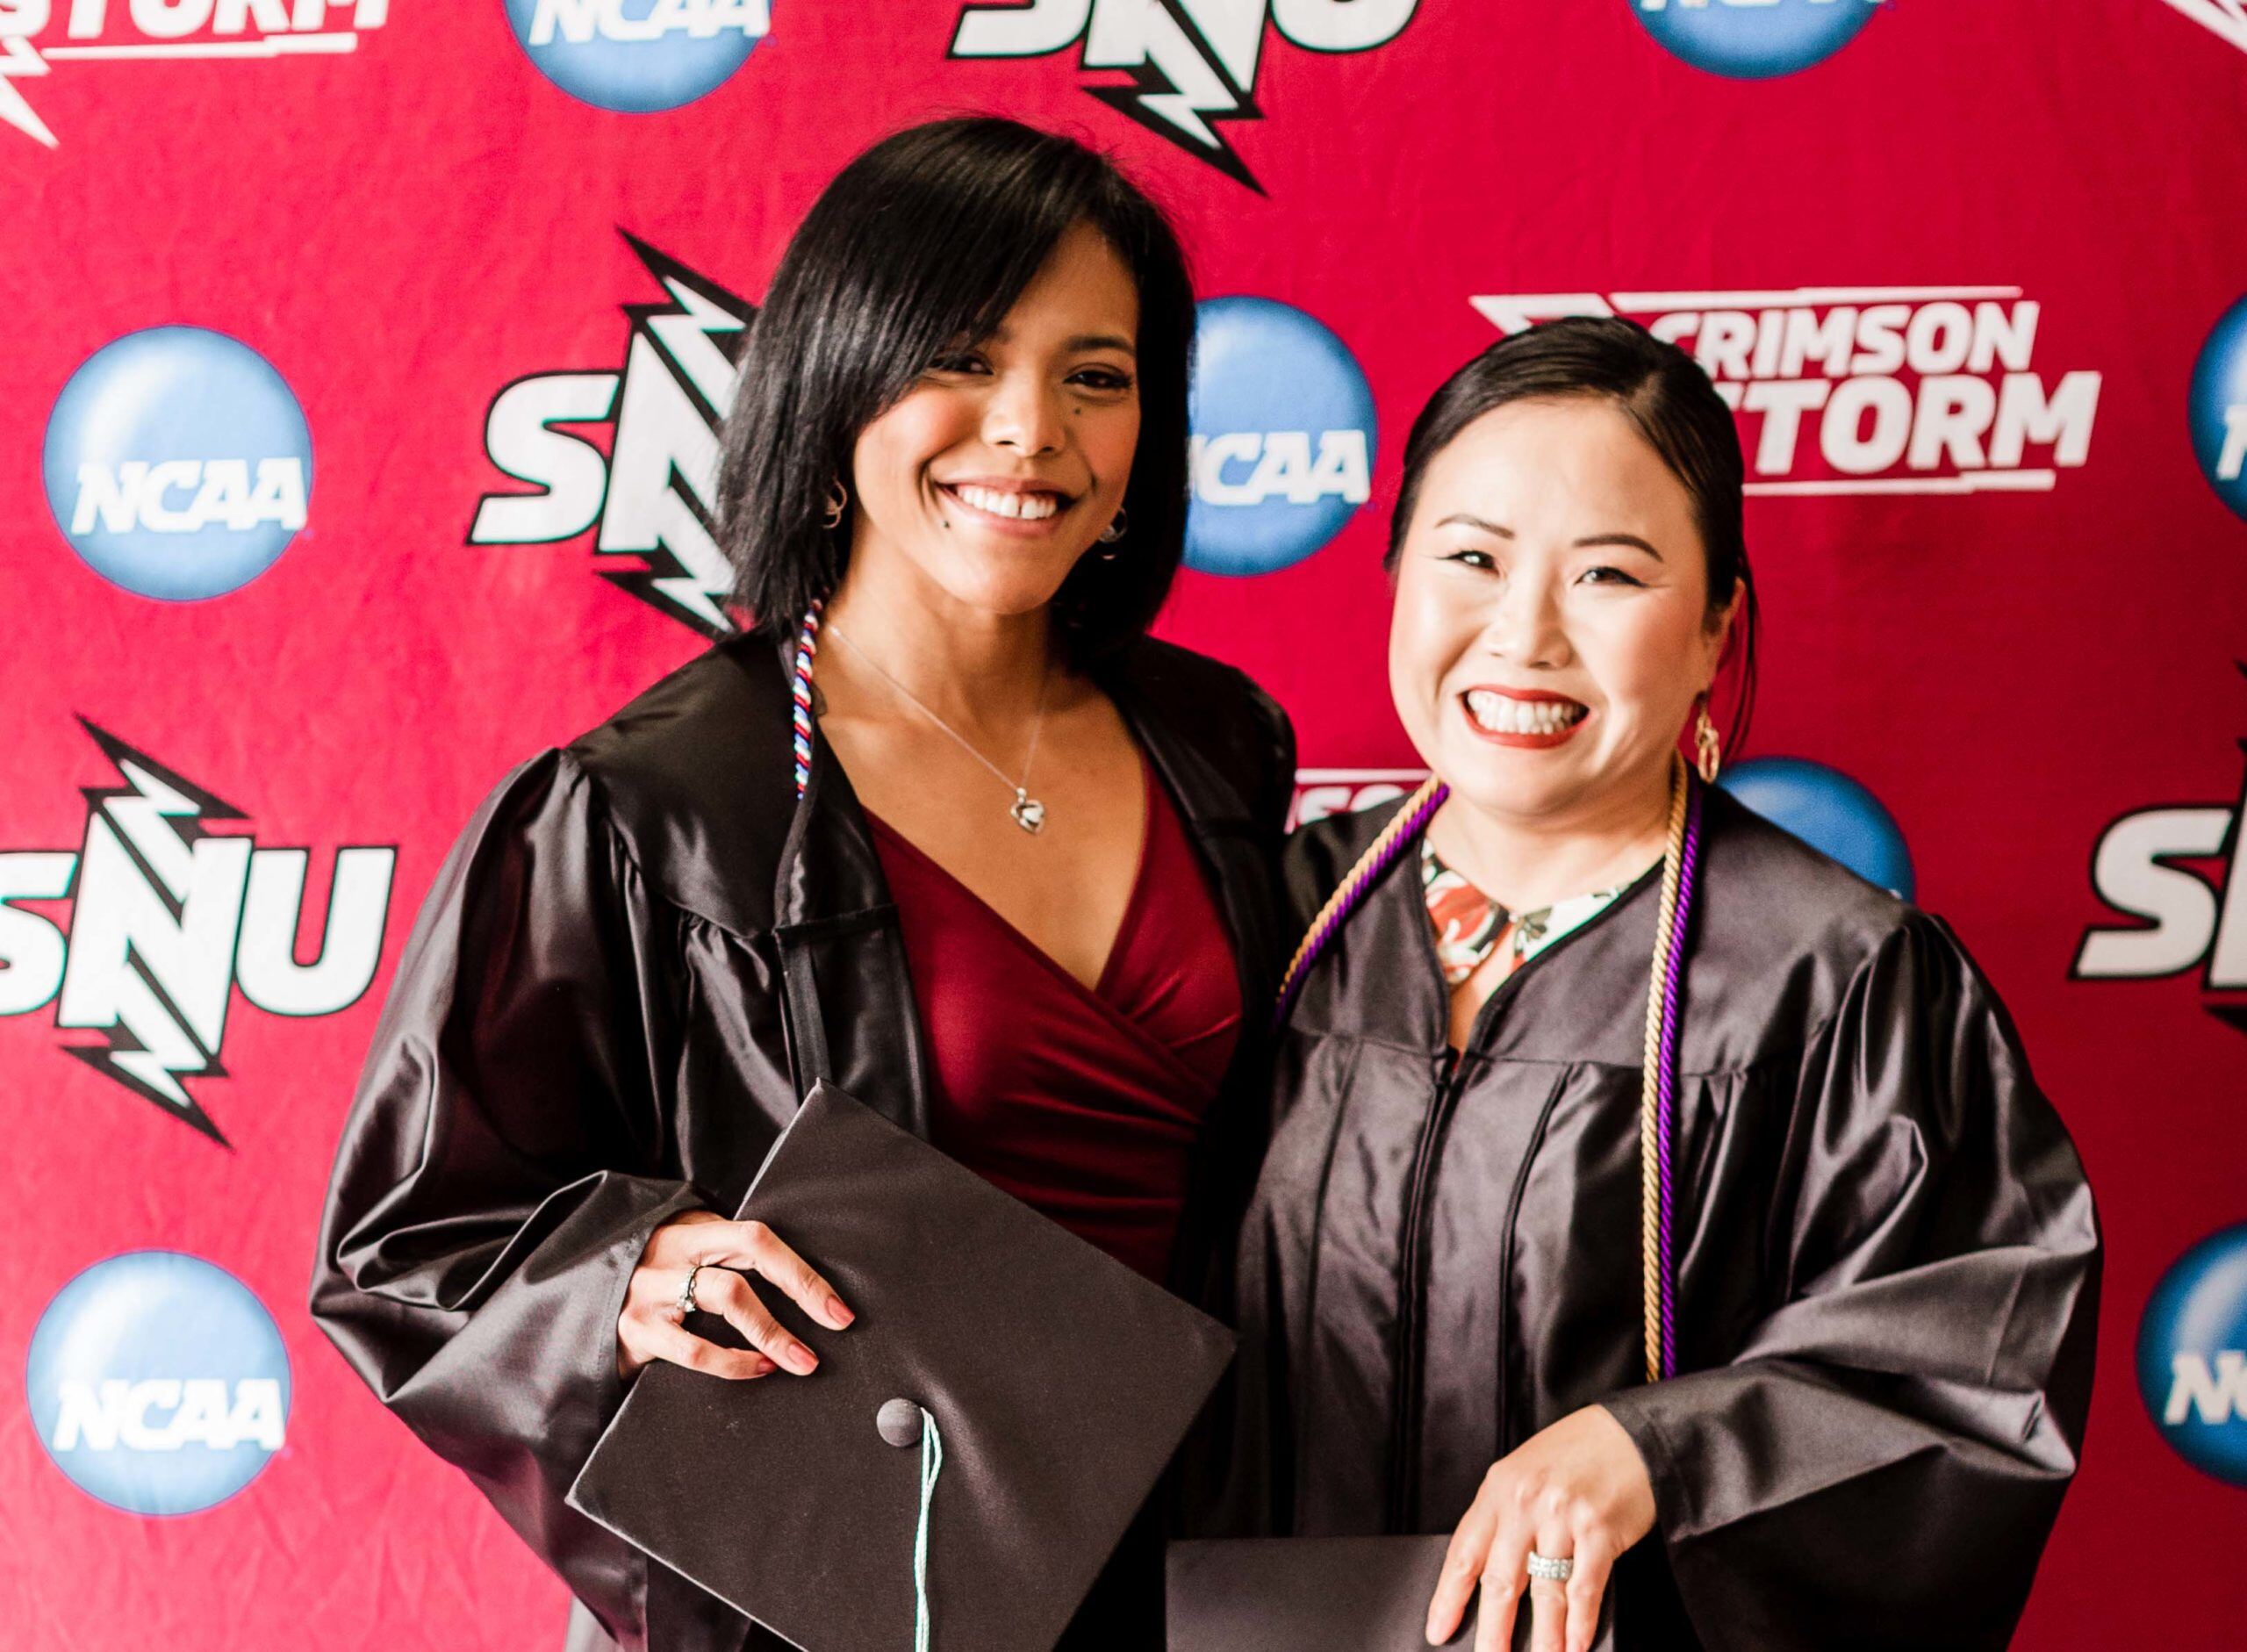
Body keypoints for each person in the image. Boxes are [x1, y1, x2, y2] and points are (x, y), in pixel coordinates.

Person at [309, 117, 1294, 1652]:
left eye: (1095, 376)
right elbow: (407, 1241)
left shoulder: (1222, 746)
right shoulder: (651, 804)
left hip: (1187, 1568)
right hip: (841, 1591)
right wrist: (623, 1274)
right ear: (836, 385)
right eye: (960, 358)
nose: (1031, 428)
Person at [1202, 317, 2100, 1652]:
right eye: (1471, 559)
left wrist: (1665, 1455)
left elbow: (1965, 1376)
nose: (1525, 634)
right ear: (1392, 574)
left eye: (1609, 576)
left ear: (1713, 627)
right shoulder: (1258, 923)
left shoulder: (1835, 981)